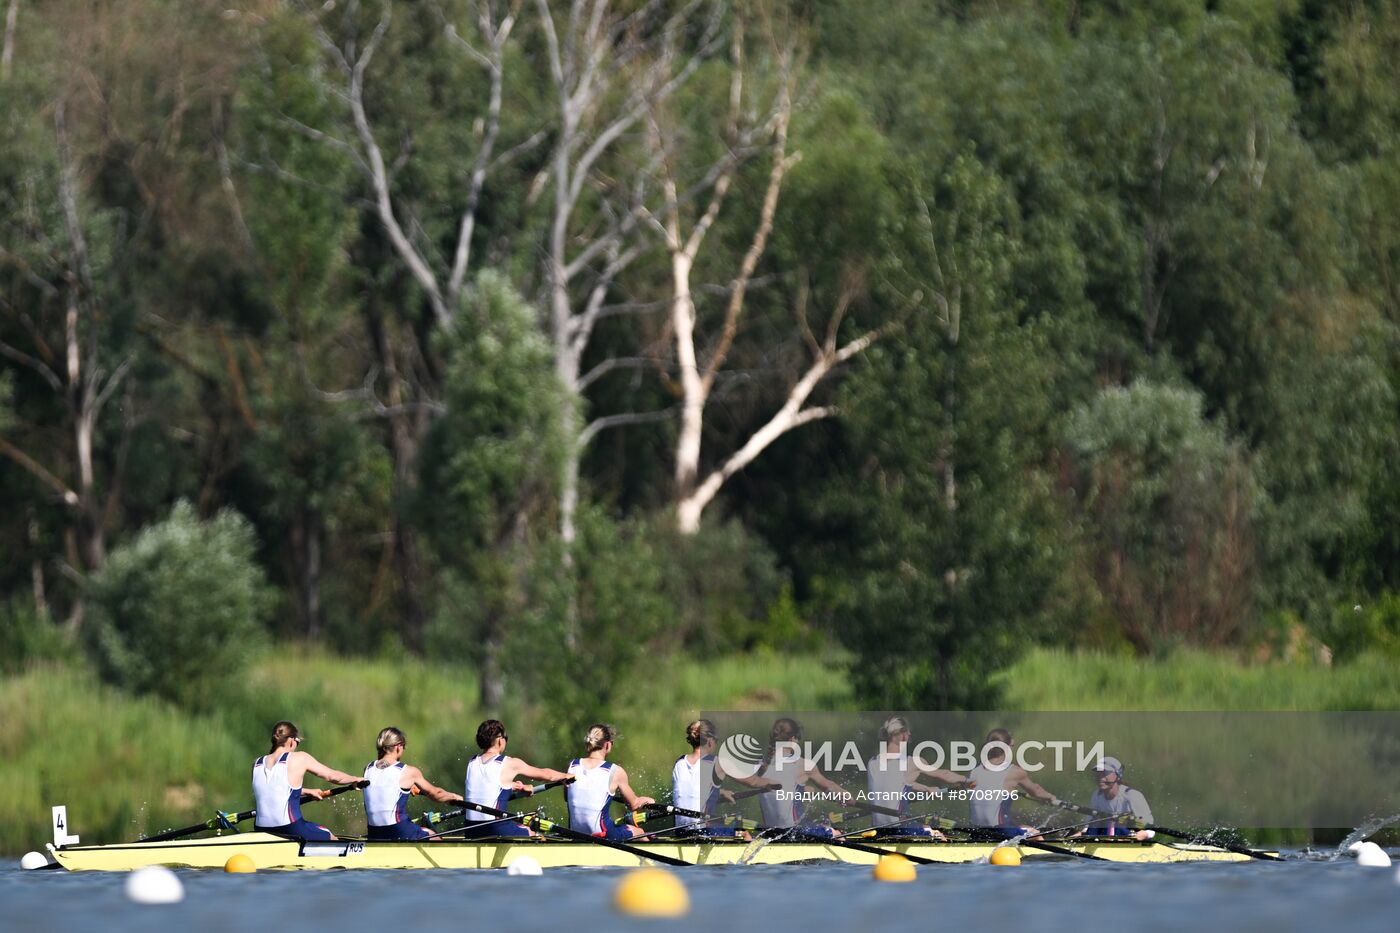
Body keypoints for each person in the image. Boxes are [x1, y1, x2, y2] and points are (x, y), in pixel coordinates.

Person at [252, 720, 363, 841]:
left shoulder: (257, 763)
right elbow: (332, 777)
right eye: (297, 742)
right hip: (290, 828)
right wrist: (355, 779)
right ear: (291, 741)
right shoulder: (299, 758)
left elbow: (275, 789)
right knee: (330, 836)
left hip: (261, 829)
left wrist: (306, 791)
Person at [865, 715, 972, 838]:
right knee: (936, 832)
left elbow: (894, 784)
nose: (910, 734)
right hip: (900, 829)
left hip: (877, 830)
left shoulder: (872, 762)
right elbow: (944, 774)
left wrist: (927, 789)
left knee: (920, 823)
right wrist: (966, 780)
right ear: (903, 735)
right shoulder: (913, 762)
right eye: (908, 731)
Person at [463, 719, 572, 838]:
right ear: (500, 740)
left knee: (518, 825)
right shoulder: (509, 763)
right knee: (533, 831)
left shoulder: (472, 762)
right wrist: (565, 776)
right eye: (506, 737)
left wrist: (516, 786)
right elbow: (546, 775)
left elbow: (488, 785)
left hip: (470, 829)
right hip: (495, 828)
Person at [670, 719, 771, 838]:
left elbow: (692, 791)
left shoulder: (679, 763)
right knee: (743, 833)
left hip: (680, 831)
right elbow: (753, 782)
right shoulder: (717, 762)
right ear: (710, 741)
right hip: (703, 832)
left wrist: (720, 792)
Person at [363, 727, 465, 841]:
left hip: (374, 833)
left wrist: (408, 787)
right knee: (433, 835)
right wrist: (455, 797)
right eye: (404, 747)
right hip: (399, 830)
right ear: (398, 746)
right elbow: (437, 794)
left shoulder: (368, 769)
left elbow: (384, 786)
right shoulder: (409, 772)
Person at [756, 717, 852, 839]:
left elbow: (781, 787)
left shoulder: (760, 764)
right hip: (794, 833)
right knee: (837, 834)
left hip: (769, 834)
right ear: (792, 739)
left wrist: (802, 789)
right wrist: (844, 795)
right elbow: (829, 786)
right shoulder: (802, 764)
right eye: (798, 739)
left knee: (817, 824)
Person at [565, 724, 654, 839]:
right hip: (603, 834)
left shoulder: (572, 765)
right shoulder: (615, 771)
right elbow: (634, 804)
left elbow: (568, 797)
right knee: (639, 832)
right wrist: (649, 800)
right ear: (607, 745)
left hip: (575, 832)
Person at [966, 728, 1058, 836]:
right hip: (1002, 832)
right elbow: (1036, 791)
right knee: (1035, 833)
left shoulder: (975, 768)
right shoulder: (1015, 772)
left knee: (1021, 826)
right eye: (1012, 746)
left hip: (976, 832)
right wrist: (1050, 798)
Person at [1081, 756, 1153, 841]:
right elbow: (1088, 826)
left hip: (1130, 835)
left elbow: (1150, 828)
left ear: (1118, 775)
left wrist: (1142, 835)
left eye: (1105, 773)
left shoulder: (1132, 795)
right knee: (1096, 824)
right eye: (1098, 773)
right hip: (1109, 834)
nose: (1100, 777)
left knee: (1118, 825)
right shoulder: (1097, 795)